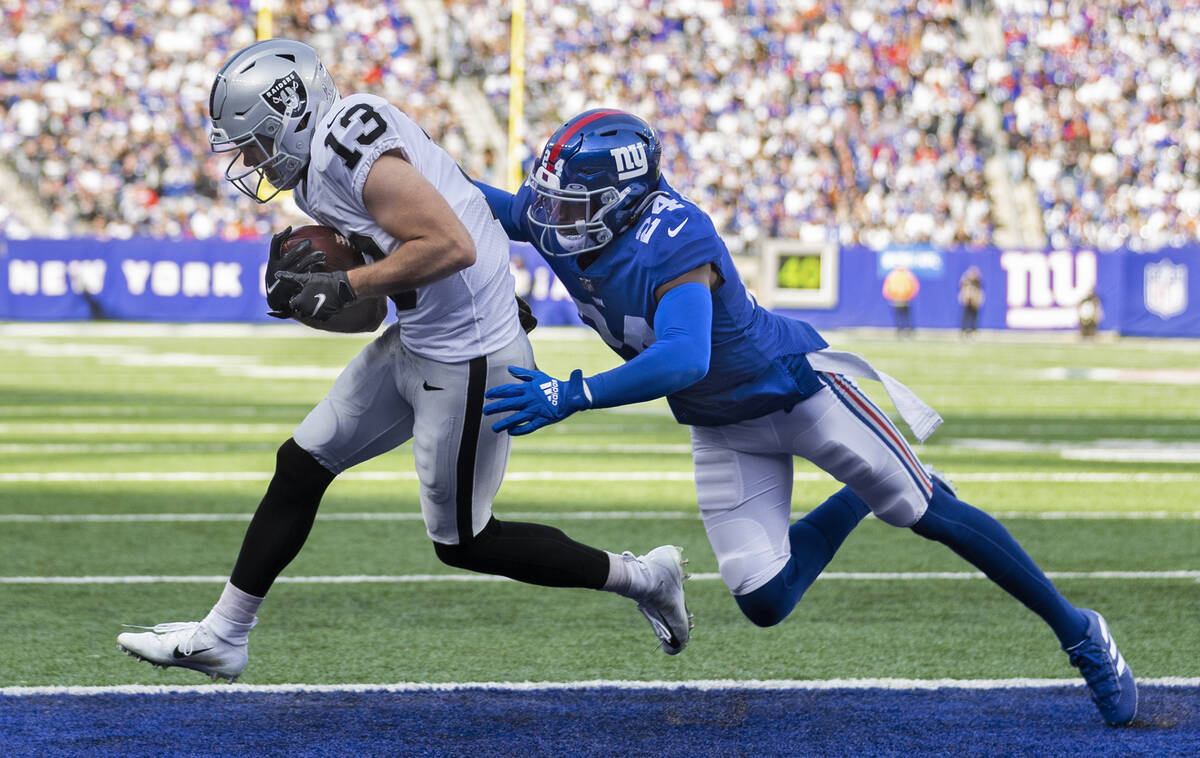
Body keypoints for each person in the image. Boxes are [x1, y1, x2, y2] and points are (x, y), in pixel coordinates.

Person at [472, 109, 1137, 726]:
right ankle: (858, 498)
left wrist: (574, 394)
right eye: (551, 198)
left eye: (571, 204)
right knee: (763, 600)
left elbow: (683, 357)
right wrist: (396, 168)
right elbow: (475, 203)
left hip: (798, 391)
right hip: (723, 426)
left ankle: (1080, 630)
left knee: (925, 510)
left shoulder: (673, 234)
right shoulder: (563, 214)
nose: (551, 214)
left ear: (624, 199)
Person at [116, 44, 691, 682]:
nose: (250, 160)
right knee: (301, 463)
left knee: (465, 544)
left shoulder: (345, 143)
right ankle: (224, 635)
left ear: (291, 113)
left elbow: (451, 244)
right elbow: (381, 297)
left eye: (255, 143)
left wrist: (346, 286)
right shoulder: (314, 168)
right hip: (421, 337)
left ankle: (645, 577)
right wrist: (316, 300)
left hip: (471, 355)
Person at [882, 265, 918, 336]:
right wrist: (910, 296)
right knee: (906, 316)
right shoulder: (908, 275)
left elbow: (886, 288)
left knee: (898, 316)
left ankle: (899, 330)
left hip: (896, 299)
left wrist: (890, 296)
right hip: (906, 298)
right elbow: (914, 287)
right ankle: (908, 330)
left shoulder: (892, 275)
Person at [958, 266, 984, 336]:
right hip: (968, 301)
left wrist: (978, 300)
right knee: (966, 316)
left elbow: (979, 292)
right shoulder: (966, 282)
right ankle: (964, 330)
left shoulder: (977, 283)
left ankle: (973, 331)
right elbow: (962, 285)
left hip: (974, 302)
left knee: (973, 317)